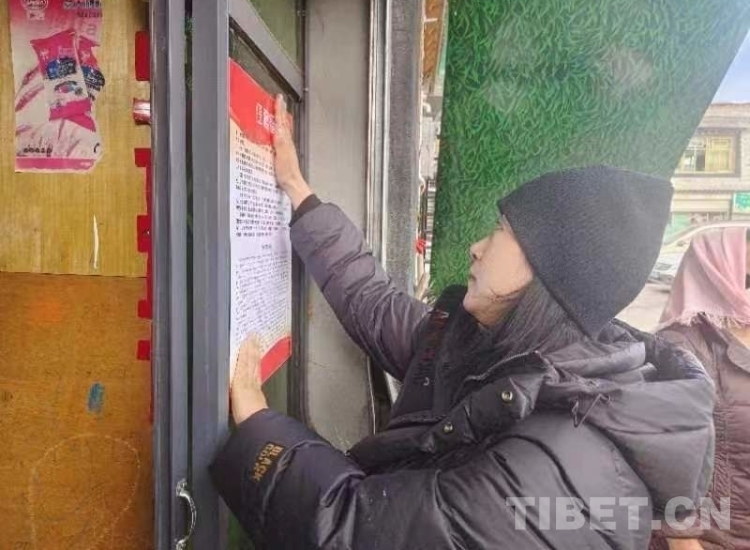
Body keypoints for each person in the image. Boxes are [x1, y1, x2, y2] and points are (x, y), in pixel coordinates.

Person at [210, 95, 715, 550]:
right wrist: (298, 192)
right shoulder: (500, 352)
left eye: (500, 231)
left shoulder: (548, 479)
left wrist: (258, 423)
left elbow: (351, 530)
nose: (477, 247)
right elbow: (375, 305)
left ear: (547, 278)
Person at [650, 227, 750, 550]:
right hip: (715, 537)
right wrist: (684, 541)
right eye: (747, 279)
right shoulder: (681, 346)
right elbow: (663, 455)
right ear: (718, 276)